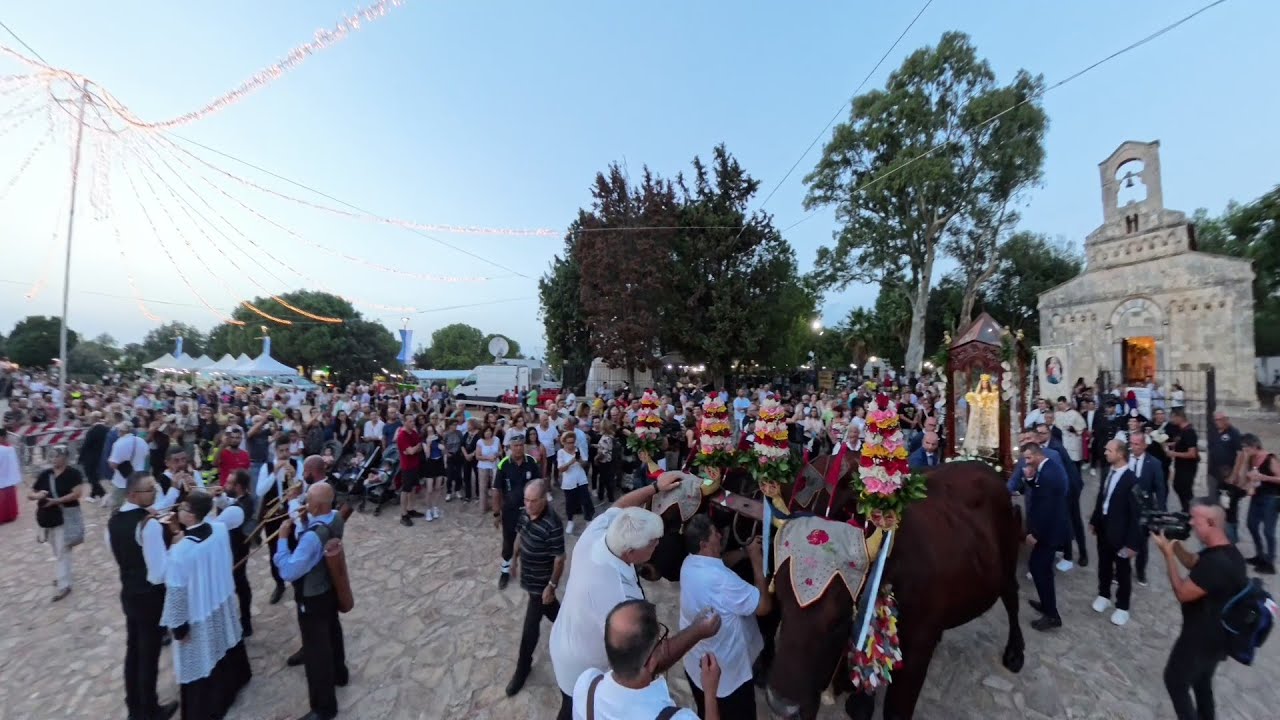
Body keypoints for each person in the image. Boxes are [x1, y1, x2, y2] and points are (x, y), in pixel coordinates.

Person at [550, 472, 717, 720]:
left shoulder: (596, 533)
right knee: (571, 711)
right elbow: (651, 660)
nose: (657, 546)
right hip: (580, 667)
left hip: (566, 639)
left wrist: (654, 487)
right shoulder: (621, 599)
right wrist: (699, 630)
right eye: (652, 543)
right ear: (629, 552)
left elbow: (620, 506)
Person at [161, 491, 253, 719]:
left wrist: (179, 627)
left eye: (182, 508)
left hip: (198, 609)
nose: (178, 511)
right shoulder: (219, 530)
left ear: (191, 515)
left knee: (201, 657)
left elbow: (176, 593)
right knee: (223, 643)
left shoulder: (180, 552)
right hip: (219, 598)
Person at [1154, 500, 1248, 720]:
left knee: (1175, 681)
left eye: (1195, 519)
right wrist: (1174, 545)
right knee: (1202, 682)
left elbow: (1182, 593)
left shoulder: (1216, 564)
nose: (1191, 524)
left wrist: (1167, 556)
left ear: (1211, 522)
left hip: (1200, 639)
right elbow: (1194, 563)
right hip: (1218, 639)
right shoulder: (1227, 552)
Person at [679, 516, 771, 718]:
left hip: (697, 665)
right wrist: (756, 561)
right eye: (715, 534)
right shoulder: (722, 581)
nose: (720, 535)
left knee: (706, 709)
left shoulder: (689, 563)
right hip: (726, 677)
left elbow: (721, 562)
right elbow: (764, 606)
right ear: (704, 544)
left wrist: (743, 552)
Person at [273, 482, 349, 720]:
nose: (305, 504)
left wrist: (282, 540)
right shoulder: (335, 517)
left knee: (316, 652)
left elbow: (289, 570)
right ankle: (340, 673)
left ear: (316, 504)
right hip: (329, 589)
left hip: (312, 595)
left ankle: (323, 708)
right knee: (333, 631)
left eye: (308, 500)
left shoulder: (312, 538)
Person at [573, 599, 719, 720]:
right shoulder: (678, 718)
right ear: (651, 662)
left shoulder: (586, 686)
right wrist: (710, 692)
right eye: (660, 641)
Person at [107, 473, 178, 720]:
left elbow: (116, 552)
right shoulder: (148, 525)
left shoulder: (115, 520)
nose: (154, 493)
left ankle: (134, 706)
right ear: (133, 495)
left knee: (133, 649)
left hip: (129, 591)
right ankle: (149, 709)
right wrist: (175, 548)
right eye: (149, 490)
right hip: (149, 595)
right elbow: (158, 573)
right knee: (149, 654)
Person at [505, 479, 566, 697]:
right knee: (555, 613)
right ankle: (571, 626)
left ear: (543, 499)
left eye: (533, 501)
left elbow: (560, 558)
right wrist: (514, 559)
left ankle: (522, 669)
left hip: (541, 584)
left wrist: (551, 586)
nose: (528, 505)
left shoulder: (553, 523)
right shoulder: (525, 512)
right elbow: (521, 535)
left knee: (530, 627)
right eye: (526, 500)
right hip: (529, 578)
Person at [1089, 440, 1143, 626]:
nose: (1104, 452)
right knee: (1103, 565)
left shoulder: (1131, 480)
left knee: (1122, 571)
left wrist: (1133, 544)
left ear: (1120, 454)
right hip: (1104, 529)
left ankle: (1123, 606)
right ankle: (1103, 594)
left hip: (1121, 534)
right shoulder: (1108, 472)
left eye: (1108, 450)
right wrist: (1095, 520)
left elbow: (1136, 515)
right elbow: (1102, 498)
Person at [1020, 442, 1069, 631]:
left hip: (1049, 531)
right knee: (1041, 568)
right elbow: (1040, 491)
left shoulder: (1048, 473)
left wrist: (1035, 534)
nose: (1026, 462)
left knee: (1039, 568)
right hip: (1050, 529)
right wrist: (1030, 480)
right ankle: (1047, 605)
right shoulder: (1046, 468)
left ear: (1037, 455)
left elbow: (1046, 507)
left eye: (1028, 458)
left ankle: (1052, 615)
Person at [29, 445, 85, 601]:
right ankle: (64, 574)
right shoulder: (45, 474)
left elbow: (77, 493)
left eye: (56, 456)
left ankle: (64, 584)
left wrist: (56, 501)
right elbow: (31, 494)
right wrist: (37, 495)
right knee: (57, 550)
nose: (53, 459)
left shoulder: (74, 474)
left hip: (65, 517)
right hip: (48, 519)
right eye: (51, 456)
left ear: (65, 457)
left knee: (62, 551)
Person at [492, 435, 542, 590]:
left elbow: (539, 484)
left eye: (521, 445)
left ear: (524, 446)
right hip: (510, 511)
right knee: (508, 541)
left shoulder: (531, 462)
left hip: (530, 510)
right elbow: (496, 490)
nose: (518, 448)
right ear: (510, 447)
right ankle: (505, 571)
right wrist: (496, 513)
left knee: (532, 541)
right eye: (515, 446)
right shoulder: (503, 464)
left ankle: (531, 570)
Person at [216, 469, 256, 637]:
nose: (225, 485)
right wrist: (219, 497)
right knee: (239, 584)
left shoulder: (242, 505)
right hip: (234, 548)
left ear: (239, 486)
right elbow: (228, 502)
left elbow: (217, 524)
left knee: (239, 585)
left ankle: (245, 622)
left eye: (230, 483)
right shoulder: (241, 499)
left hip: (236, 550)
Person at [1129, 432, 1166, 586]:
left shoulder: (1154, 463)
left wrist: (1160, 513)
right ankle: (1120, 570)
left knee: (1142, 543)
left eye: (1136, 444)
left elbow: (1160, 489)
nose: (1133, 447)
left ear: (1144, 445)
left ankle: (1140, 570)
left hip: (1145, 509)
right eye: (1131, 443)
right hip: (1126, 508)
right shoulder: (1125, 458)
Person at [1241, 433, 1279, 574]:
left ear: (1254, 446)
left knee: (1268, 531)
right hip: (1257, 496)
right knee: (1251, 524)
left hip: (1271, 497)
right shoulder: (1251, 459)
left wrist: (1264, 477)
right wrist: (1245, 462)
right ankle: (1260, 555)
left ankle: (1270, 563)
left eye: (1246, 448)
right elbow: (1245, 476)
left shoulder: (1270, 458)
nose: (1245, 451)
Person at [1208, 412, 1244, 542]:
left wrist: (1234, 474)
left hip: (1228, 477)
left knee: (1229, 508)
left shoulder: (1234, 433)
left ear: (1226, 419)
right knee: (1215, 505)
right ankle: (1218, 534)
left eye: (1220, 419)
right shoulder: (1215, 432)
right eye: (1216, 419)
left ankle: (1232, 538)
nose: (1217, 422)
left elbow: (1240, 454)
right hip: (1214, 475)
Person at [108, 420, 149, 513]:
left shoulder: (118, 443)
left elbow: (113, 464)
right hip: (138, 479)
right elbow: (146, 455)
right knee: (137, 505)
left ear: (122, 431)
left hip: (121, 481)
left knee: (116, 507)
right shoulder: (141, 441)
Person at [559, 430, 594, 535]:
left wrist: (579, 460)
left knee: (586, 501)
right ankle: (570, 521)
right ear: (564, 442)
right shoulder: (561, 453)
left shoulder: (578, 450)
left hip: (581, 480)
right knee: (570, 503)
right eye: (569, 442)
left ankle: (588, 520)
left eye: (572, 442)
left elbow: (585, 464)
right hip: (569, 482)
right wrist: (572, 461)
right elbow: (561, 469)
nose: (571, 444)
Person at [1167, 409, 1200, 513]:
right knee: (1177, 486)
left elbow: (1192, 453)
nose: (1171, 420)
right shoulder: (1181, 430)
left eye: (1173, 417)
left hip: (1188, 468)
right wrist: (1169, 445)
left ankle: (1191, 511)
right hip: (1180, 466)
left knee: (1185, 490)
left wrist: (1174, 454)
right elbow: (1180, 443)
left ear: (1179, 417)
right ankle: (1186, 509)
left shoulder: (1189, 432)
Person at [395, 414, 424, 527]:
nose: (413, 423)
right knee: (405, 490)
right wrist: (415, 448)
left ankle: (410, 509)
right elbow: (412, 451)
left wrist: (414, 448)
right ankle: (403, 514)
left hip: (415, 465)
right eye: (410, 421)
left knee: (412, 488)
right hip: (407, 466)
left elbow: (417, 448)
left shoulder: (414, 433)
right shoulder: (402, 436)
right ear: (405, 422)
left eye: (413, 421)